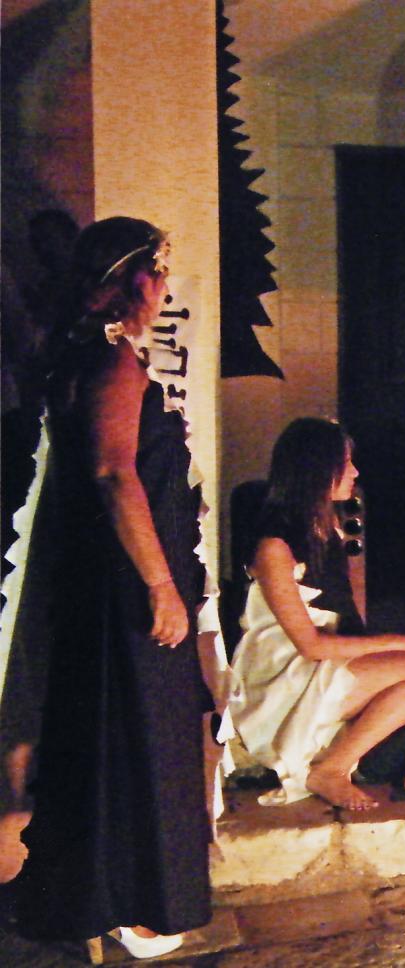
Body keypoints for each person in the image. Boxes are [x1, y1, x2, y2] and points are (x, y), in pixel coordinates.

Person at [10, 218, 214, 958]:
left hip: (108, 584)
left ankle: (108, 899)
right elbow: (113, 472)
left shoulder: (86, 354)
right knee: (145, 738)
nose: (165, 288)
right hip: (127, 588)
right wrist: (161, 585)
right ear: (138, 280)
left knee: (115, 737)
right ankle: (135, 901)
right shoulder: (112, 361)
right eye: (161, 272)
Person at [228, 418, 405, 811]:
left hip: (330, 654)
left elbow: (346, 607)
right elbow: (310, 646)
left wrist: (394, 647)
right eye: (346, 463)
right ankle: (330, 769)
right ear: (317, 469)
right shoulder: (273, 548)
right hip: (289, 674)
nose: (355, 472)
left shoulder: (331, 525)